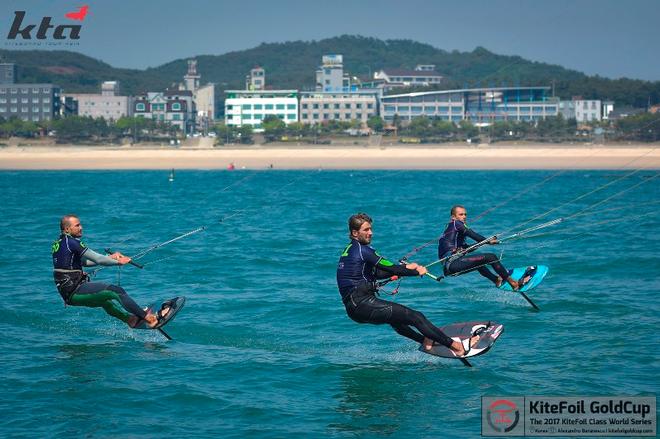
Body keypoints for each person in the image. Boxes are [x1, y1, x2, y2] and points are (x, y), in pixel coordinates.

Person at [337, 213, 478, 355]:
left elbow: (378, 274)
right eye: (366, 230)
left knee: (396, 320)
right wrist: (417, 272)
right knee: (416, 317)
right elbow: (390, 268)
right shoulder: (364, 250)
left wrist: (405, 268)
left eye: (371, 229)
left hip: (355, 308)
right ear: (355, 233)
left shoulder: (351, 250)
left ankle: (426, 342)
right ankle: (457, 347)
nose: (371, 233)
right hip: (362, 304)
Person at [52, 214, 169, 328]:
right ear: (67, 228)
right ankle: (149, 318)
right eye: (77, 225)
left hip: (68, 294)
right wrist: (119, 261)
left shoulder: (59, 243)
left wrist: (110, 258)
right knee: (116, 291)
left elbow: (83, 263)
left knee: (105, 301)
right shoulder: (72, 242)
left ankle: (130, 319)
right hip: (75, 290)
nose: (81, 227)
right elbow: (98, 259)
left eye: (80, 224)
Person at [438, 205, 532, 290]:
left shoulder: (450, 233)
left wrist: (484, 243)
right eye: (461, 214)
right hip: (452, 263)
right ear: (453, 217)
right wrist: (488, 241)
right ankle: (513, 283)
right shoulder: (456, 224)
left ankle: (496, 280)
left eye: (465, 214)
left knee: (479, 263)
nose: (464, 217)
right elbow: (471, 234)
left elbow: (467, 248)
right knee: (491, 257)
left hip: (450, 269)